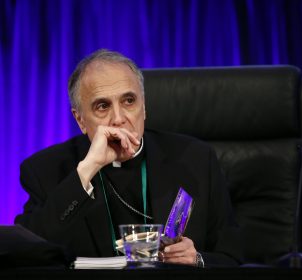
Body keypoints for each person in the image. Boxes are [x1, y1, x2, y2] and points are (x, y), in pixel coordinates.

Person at [15, 49, 242, 267]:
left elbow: (234, 258)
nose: (118, 118)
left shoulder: (197, 160)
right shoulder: (44, 170)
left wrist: (197, 260)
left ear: (144, 107)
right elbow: (27, 255)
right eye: (102, 106)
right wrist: (87, 170)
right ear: (80, 120)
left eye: (129, 101)